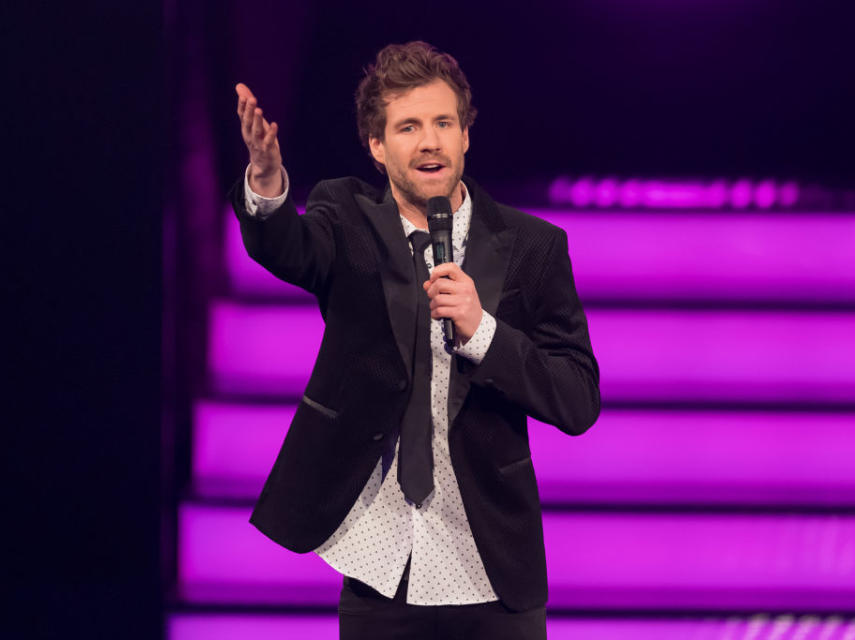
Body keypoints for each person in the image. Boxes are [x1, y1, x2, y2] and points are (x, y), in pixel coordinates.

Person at [230, 41, 599, 640]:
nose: (430, 142)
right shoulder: (346, 219)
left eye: (443, 123)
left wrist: (484, 332)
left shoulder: (534, 248)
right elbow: (292, 250)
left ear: (465, 136)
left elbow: (578, 399)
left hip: (493, 570)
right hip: (381, 567)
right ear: (378, 147)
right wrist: (268, 184)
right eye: (408, 127)